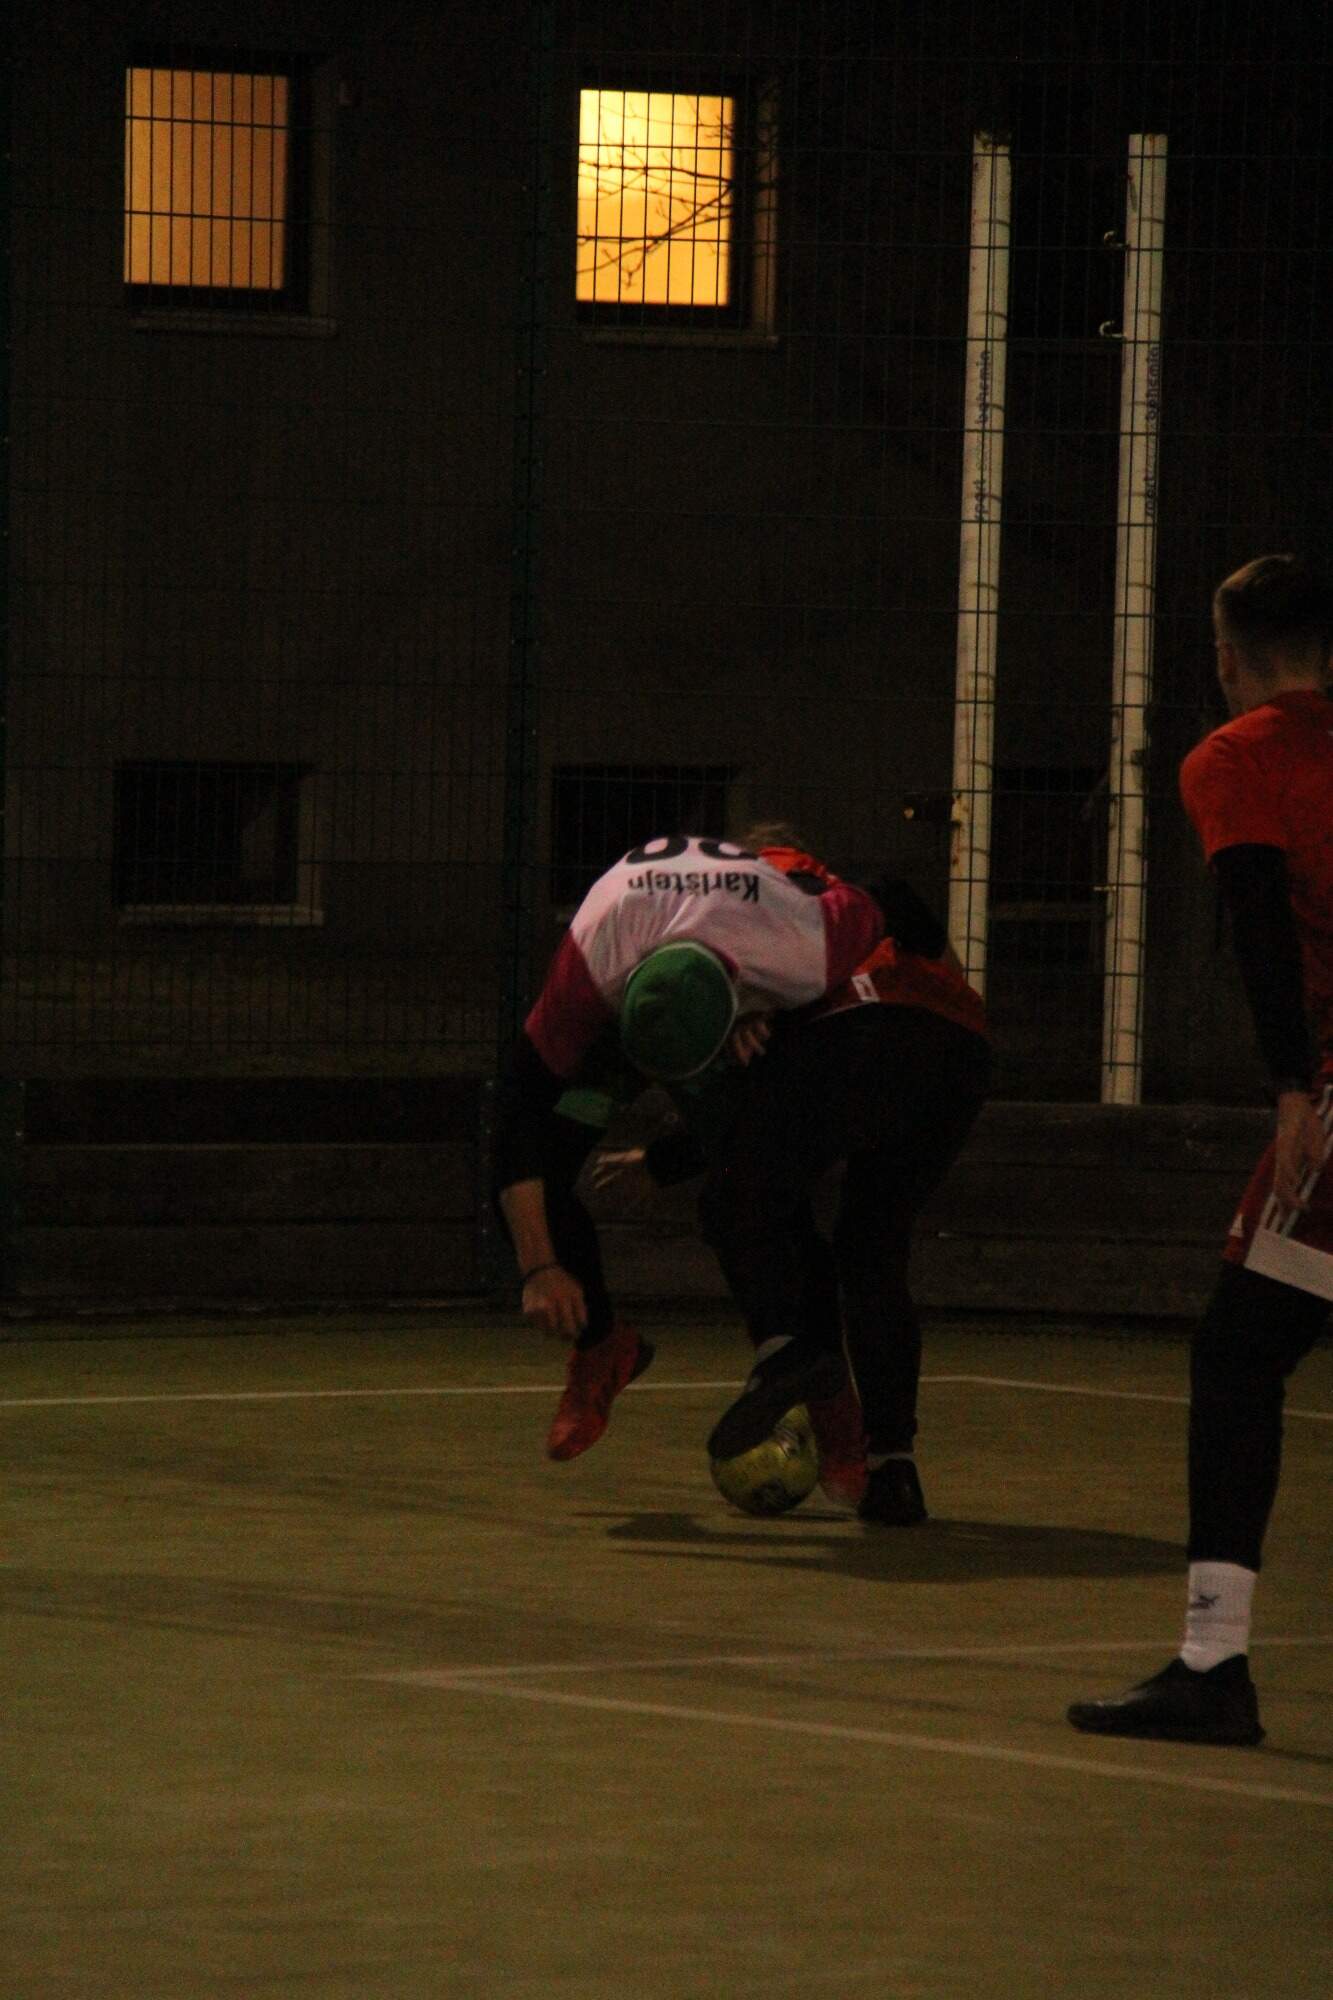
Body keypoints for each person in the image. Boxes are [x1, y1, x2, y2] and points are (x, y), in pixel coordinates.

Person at [1068, 553, 1333, 1746]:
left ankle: (1212, 1664)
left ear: (1225, 657)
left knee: (1235, 1354)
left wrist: (1290, 1087)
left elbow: (1258, 918)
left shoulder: (1234, 757)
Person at [493, 834, 890, 1464]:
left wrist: (778, 1014)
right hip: (646, 968)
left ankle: (827, 1393)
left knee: (761, 1191)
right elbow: (516, 1107)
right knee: (532, 1176)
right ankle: (602, 1346)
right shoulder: (591, 963)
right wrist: (539, 1266)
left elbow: (886, 899)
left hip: (744, 992)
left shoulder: (805, 947)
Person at [695, 836, 991, 1525]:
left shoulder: (753, 881)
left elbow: (878, 889)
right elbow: (901, 902)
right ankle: (892, 1469)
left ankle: (791, 1353)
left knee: (732, 1196)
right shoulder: (848, 902)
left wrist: (758, 1003)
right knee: (870, 1247)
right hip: (959, 1047)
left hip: (857, 1030)